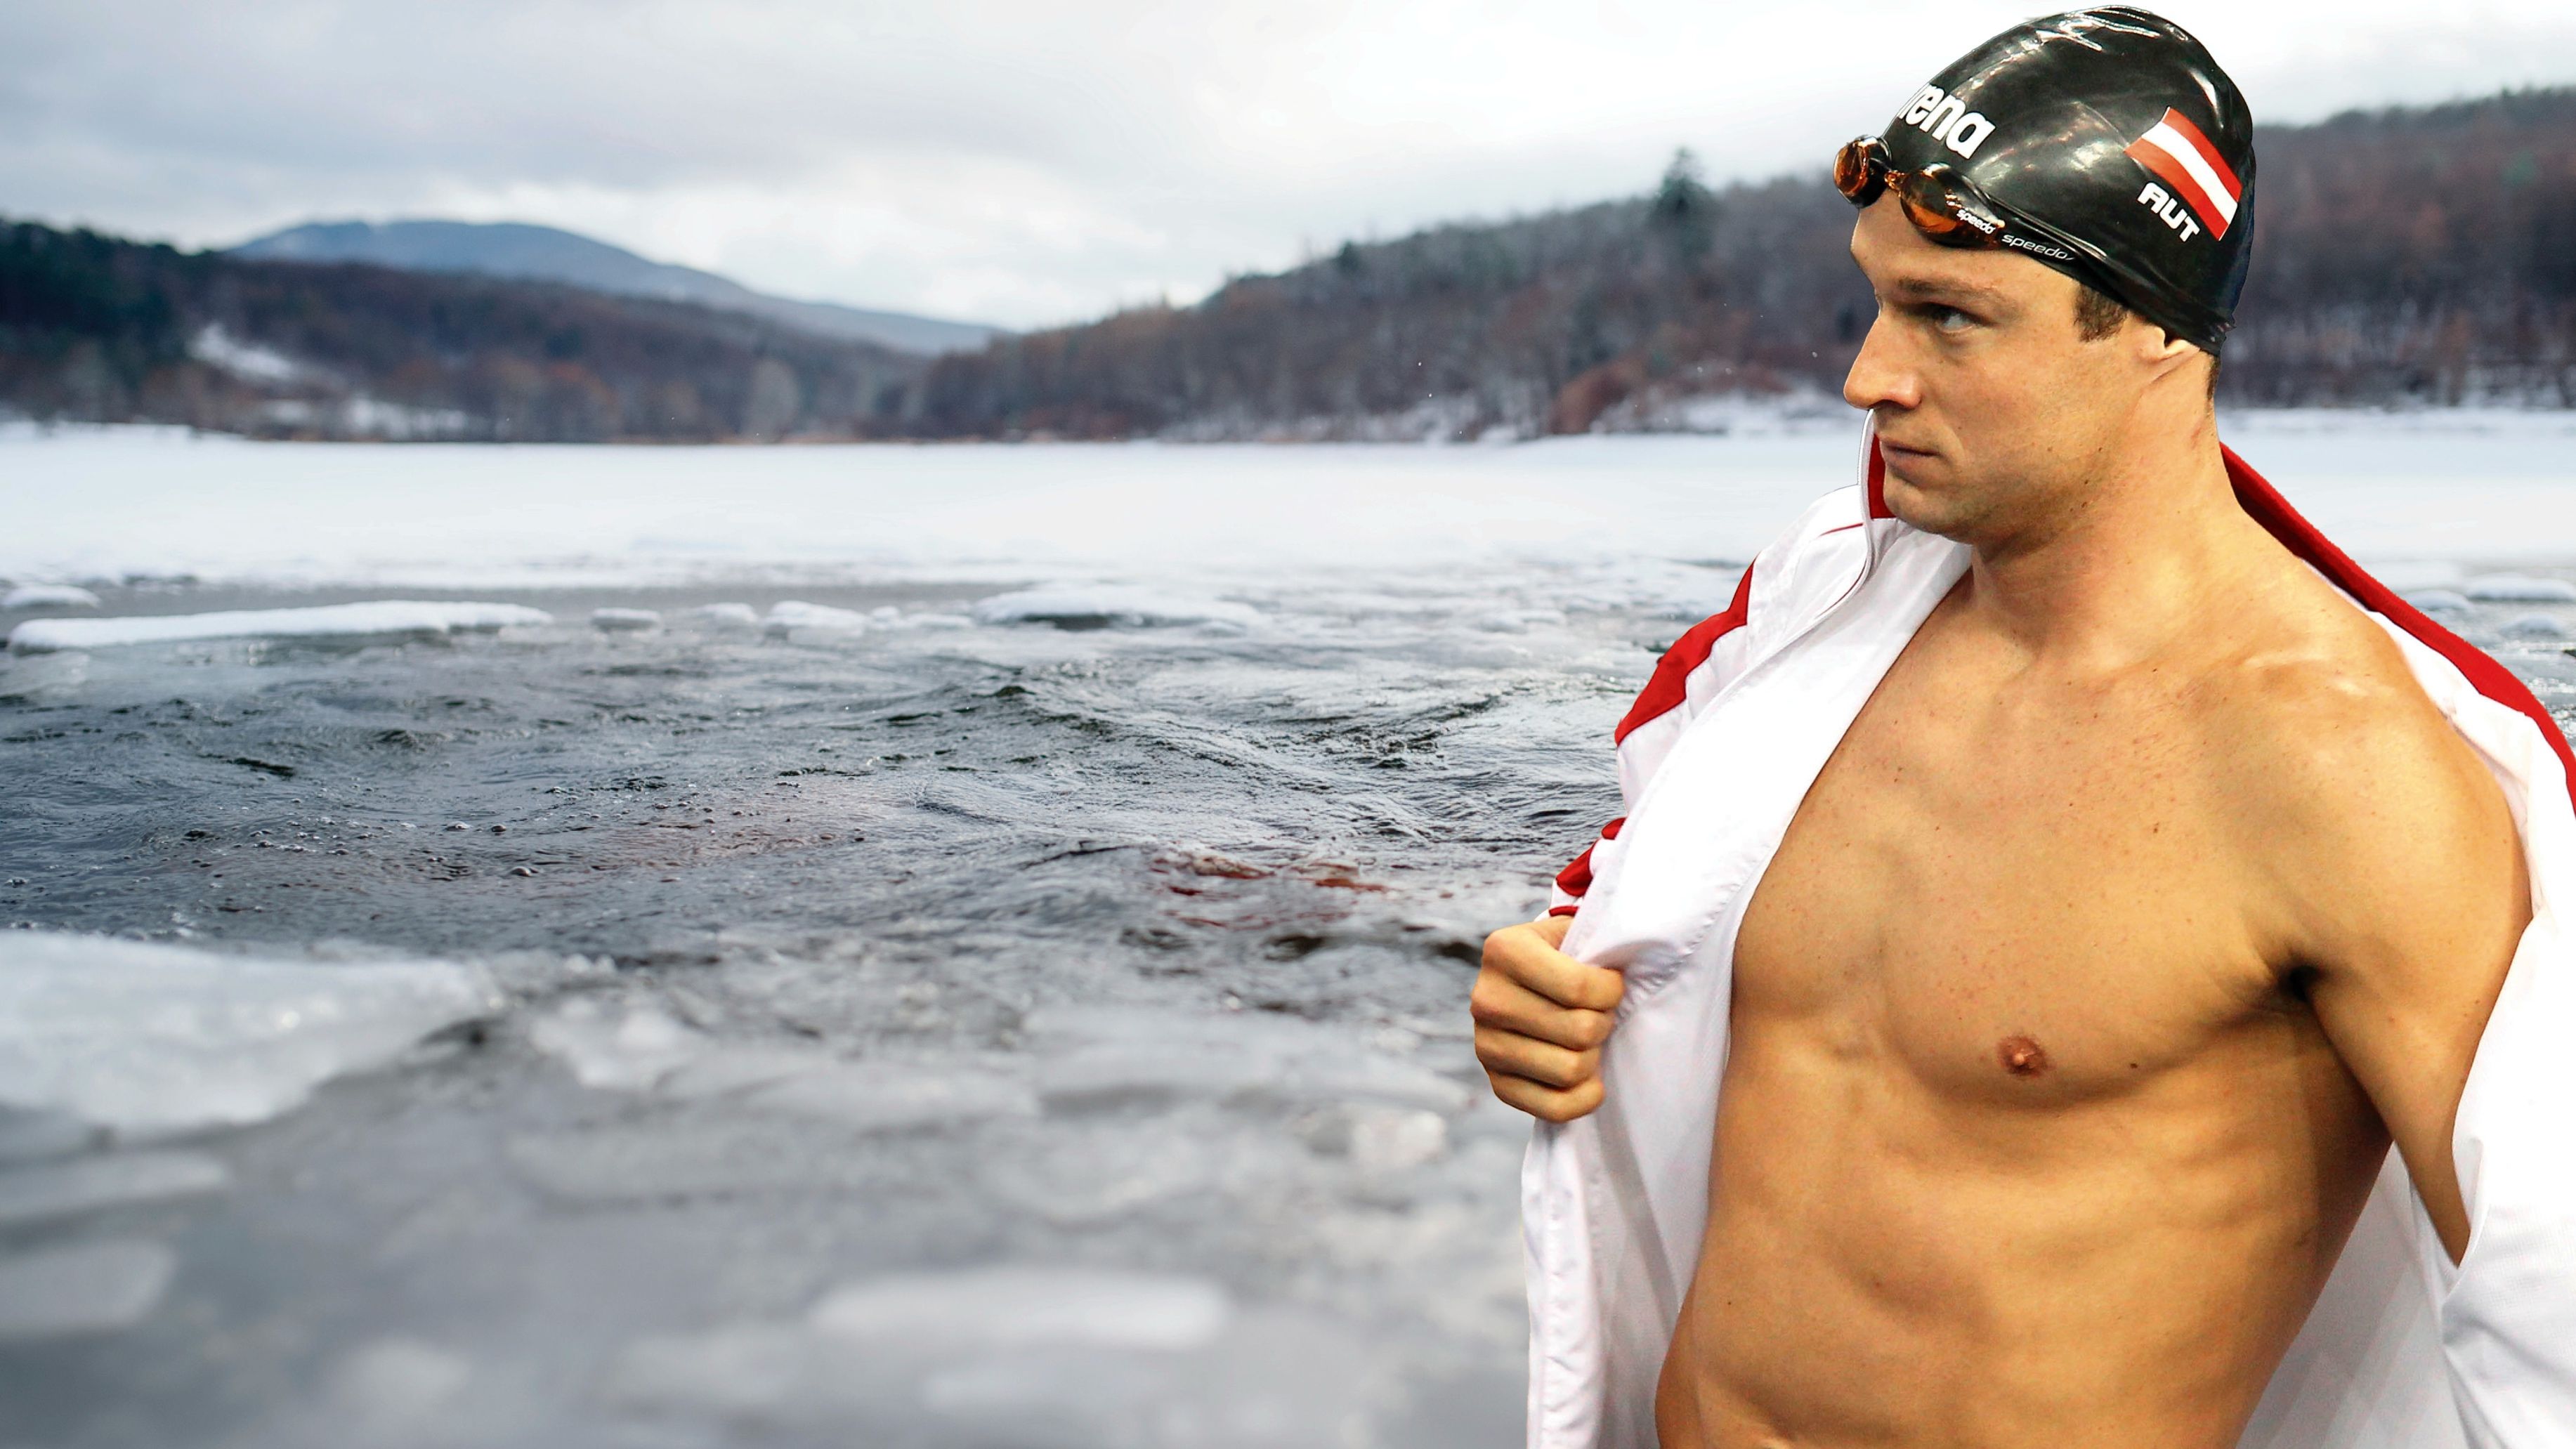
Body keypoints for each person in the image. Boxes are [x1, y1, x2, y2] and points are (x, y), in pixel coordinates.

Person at [1472, 9, 2576, 1448]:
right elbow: (1649, 918)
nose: (1869, 376)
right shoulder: (1822, 633)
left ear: (2157, 330)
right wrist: (1551, 1004)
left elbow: (2550, 1308)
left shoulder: (2334, 769)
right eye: (1877, 302)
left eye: (1950, 316)